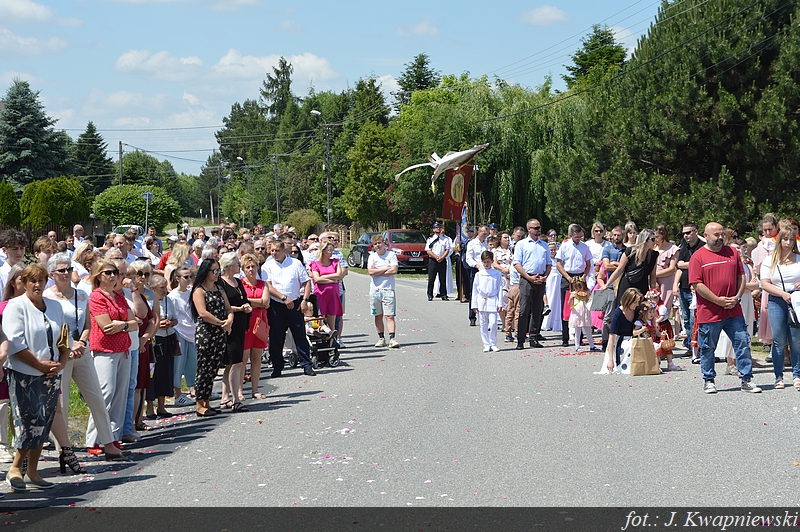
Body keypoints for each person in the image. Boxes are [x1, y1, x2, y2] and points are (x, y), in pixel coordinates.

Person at [44, 254, 130, 472]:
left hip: (82, 352)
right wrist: (69, 345)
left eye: (68, 269)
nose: (66, 273)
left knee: (97, 397)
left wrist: (81, 342)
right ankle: (64, 450)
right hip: (60, 354)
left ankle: (108, 443)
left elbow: (88, 325)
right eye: (61, 270)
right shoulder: (47, 297)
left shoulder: (81, 295)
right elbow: (50, 328)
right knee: (61, 404)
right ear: (52, 274)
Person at [3, 263, 69, 492]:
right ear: (24, 283)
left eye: (41, 280)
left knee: (44, 421)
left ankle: (32, 471)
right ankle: (15, 468)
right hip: (25, 373)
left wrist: (62, 361)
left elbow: (63, 337)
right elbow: (15, 343)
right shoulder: (16, 306)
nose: (37, 285)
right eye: (32, 280)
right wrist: (39, 365)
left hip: (51, 373)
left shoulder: (55, 306)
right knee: (28, 421)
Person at [690, 222, 761, 394]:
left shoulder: (733, 252)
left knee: (742, 343)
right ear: (706, 236)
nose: (721, 238)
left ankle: (746, 379)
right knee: (708, 347)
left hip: (733, 309)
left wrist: (737, 297)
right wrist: (717, 300)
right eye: (716, 235)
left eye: (722, 234)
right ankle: (709, 380)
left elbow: (741, 276)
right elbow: (697, 284)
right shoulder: (698, 257)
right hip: (710, 311)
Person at [86, 258, 138, 451]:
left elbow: (135, 323)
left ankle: (113, 436)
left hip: (123, 350)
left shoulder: (119, 297)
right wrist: (126, 325)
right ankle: (93, 439)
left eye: (114, 272)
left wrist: (122, 325)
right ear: (99, 276)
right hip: (104, 351)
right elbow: (106, 326)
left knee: (120, 396)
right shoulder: (96, 297)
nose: (112, 276)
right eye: (107, 272)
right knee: (104, 394)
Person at [264, 241, 316, 377]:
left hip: (295, 304)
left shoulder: (295, 264)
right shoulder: (267, 266)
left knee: (300, 335)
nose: (274, 253)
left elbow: (306, 282)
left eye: (276, 250)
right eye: (272, 251)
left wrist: (305, 300)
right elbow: (268, 286)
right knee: (276, 337)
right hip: (277, 305)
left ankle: (306, 364)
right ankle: (277, 366)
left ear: (283, 250)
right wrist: (283, 298)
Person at [191, 258, 233, 417]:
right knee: (204, 368)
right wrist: (220, 323)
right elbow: (202, 313)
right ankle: (199, 403)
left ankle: (207, 401)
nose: (217, 274)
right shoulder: (199, 290)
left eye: (218, 271)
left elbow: (228, 308)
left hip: (220, 333)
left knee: (214, 368)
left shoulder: (219, 288)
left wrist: (229, 320)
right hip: (206, 333)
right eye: (214, 271)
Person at [759, 226, 800, 389]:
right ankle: (778, 376)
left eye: (792, 240)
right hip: (777, 300)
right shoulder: (770, 260)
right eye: (785, 239)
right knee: (779, 340)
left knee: (796, 340)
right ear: (779, 240)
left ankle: (797, 375)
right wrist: (782, 294)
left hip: (796, 300)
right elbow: (765, 284)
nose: (788, 243)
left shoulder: (798, 258)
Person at [218, 252, 251, 412]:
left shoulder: (237, 281)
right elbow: (223, 306)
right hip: (229, 326)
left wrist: (247, 306)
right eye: (238, 263)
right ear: (229, 266)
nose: (240, 266)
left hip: (240, 325)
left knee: (232, 363)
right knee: (236, 362)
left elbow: (243, 298)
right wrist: (239, 309)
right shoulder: (221, 283)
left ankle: (225, 398)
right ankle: (235, 399)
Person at [512, 219, 551, 349]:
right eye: (535, 228)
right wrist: (528, 276)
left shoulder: (544, 245)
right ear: (529, 229)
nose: (538, 230)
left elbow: (548, 263)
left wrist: (544, 277)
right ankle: (520, 339)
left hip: (540, 278)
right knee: (524, 310)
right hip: (527, 278)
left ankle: (533, 337)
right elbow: (517, 263)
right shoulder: (522, 244)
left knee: (537, 309)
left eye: (539, 227)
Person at [555, 224, 593, 347]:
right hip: (568, 276)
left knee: (581, 306)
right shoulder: (565, 246)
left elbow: (588, 264)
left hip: (580, 277)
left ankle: (579, 338)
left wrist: (584, 276)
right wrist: (568, 278)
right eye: (577, 237)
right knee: (566, 306)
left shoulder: (585, 247)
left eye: (581, 236)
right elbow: (558, 264)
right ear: (571, 235)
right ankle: (565, 338)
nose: (579, 239)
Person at [605, 229, 659, 314]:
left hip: (642, 287)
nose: (655, 241)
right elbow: (619, 270)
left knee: (640, 314)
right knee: (623, 311)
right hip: (627, 285)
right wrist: (607, 284)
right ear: (645, 240)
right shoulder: (630, 251)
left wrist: (653, 292)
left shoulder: (653, 255)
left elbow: (653, 276)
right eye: (652, 239)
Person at [240, 254, 269, 399]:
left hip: (259, 323)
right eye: (247, 267)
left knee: (256, 359)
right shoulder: (240, 284)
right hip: (244, 324)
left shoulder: (264, 284)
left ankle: (255, 389)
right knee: (242, 360)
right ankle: (239, 391)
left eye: (253, 266)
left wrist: (248, 301)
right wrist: (258, 302)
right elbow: (240, 301)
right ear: (243, 269)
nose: (251, 269)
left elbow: (266, 302)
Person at [168, 266, 197, 405]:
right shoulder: (173, 296)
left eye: (190, 276)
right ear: (178, 278)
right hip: (179, 331)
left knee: (194, 362)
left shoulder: (191, 292)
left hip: (192, 329)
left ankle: (195, 389)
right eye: (186, 277)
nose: (189, 279)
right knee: (178, 364)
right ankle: (178, 394)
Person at [753, 214, 779, 352]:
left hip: (781, 282)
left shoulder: (781, 241)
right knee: (769, 315)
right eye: (765, 230)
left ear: (776, 227)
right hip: (768, 283)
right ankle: (772, 346)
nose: (768, 232)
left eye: (770, 229)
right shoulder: (761, 244)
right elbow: (757, 267)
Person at [368, 234, 400, 348]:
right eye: (375, 244)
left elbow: (394, 270)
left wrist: (378, 270)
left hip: (388, 289)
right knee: (378, 315)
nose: (378, 245)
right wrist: (386, 268)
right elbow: (371, 272)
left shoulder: (391, 255)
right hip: (375, 290)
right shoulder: (372, 257)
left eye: (379, 243)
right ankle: (381, 338)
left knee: (389, 316)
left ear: (384, 243)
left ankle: (392, 338)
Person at [601, 288, 643, 374]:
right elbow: (612, 337)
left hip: (633, 337)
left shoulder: (636, 311)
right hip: (620, 341)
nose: (637, 304)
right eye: (635, 302)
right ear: (628, 301)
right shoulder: (618, 313)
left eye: (638, 302)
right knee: (631, 345)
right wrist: (610, 360)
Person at [676, 223, 704, 349]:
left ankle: (696, 347)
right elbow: (679, 266)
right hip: (683, 287)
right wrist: (675, 285)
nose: (685, 236)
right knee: (686, 319)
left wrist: (685, 264)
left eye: (688, 232)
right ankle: (689, 345)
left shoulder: (703, 247)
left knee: (694, 319)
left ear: (696, 232)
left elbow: (700, 264)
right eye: (684, 233)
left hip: (697, 289)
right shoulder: (683, 248)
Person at [310, 241, 344, 343]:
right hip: (320, 295)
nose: (331, 252)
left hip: (333, 295)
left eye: (332, 250)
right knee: (320, 319)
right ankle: (320, 343)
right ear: (323, 250)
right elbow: (317, 279)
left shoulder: (335, 262)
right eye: (329, 250)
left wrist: (324, 277)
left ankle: (331, 344)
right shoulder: (315, 264)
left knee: (332, 322)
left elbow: (339, 275)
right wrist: (331, 280)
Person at [472, 251, 503, 352]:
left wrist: (500, 303)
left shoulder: (497, 274)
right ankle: (486, 344)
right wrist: (474, 304)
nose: (486, 264)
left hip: (493, 299)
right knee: (483, 324)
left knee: (493, 323)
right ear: (481, 262)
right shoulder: (479, 274)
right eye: (484, 262)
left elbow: (500, 288)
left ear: (492, 261)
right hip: (482, 300)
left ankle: (493, 342)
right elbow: (475, 290)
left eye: (488, 262)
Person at [465, 226, 489, 326]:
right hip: (476, 270)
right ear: (478, 232)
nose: (485, 235)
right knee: (474, 293)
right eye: (483, 233)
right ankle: (472, 317)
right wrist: (477, 265)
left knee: (487, 293)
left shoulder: (487, 243)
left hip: (488, 271)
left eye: (486, 233)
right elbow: (468, 258)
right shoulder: (472, 243)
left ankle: (486, 316)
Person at [653, 225, 680, 310]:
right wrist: (653, 278)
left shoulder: (673, 249)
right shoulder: (653, 247)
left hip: (666, 281)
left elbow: (672, 269)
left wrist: (654, 275)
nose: (655, 239)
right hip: (652, 280)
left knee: (664, 307)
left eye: (657, 237)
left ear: (663, 235)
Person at [568, 277, 596, 352]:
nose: (579, 289)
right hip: (577, 313)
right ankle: (577, 346)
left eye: (580, 287)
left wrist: (587, 297)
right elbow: (570, 305)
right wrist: (571, 298)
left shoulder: (587, 292)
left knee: (588, 330)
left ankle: (592, 346)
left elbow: (590, 302)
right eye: (577, 288)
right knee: (577, 331)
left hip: (585, 312)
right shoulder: (573, 293)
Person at [426, 222, 452, 301]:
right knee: (431, 279)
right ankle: (430, 294)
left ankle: (443, 294)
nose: (438, 229)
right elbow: (428, 250)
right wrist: (436, 257)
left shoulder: (445, 239)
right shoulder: (430, 239)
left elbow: (447, 249)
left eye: (439, 227)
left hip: (442, 260)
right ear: (433, 229)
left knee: (443, 278)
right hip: (433, 260)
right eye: (436, 227)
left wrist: (442, 257)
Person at [0, 230, 27, 300]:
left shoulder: (28, 272)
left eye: (22, 248)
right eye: (15, 249)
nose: (19, 252)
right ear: (4, 250)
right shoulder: (1, 275)